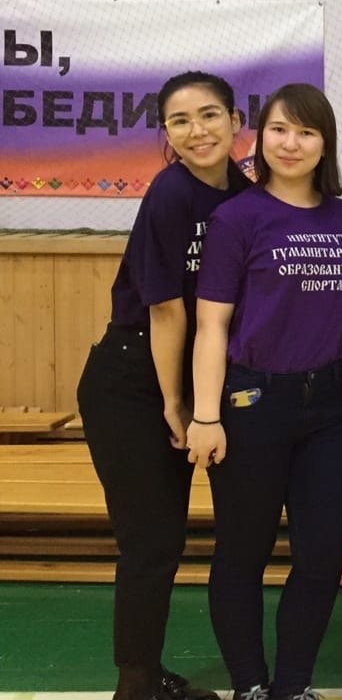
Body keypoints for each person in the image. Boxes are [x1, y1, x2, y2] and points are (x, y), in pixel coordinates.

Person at [187, 83, 342, 700]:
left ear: (325, 144)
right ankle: (250, 685)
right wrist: (206, 416)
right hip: (251, 403)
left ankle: (293, 686)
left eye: (306, 132)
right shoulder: (236, 218)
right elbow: (211, 326)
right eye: (279, 130)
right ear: (260, 137)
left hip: (329, 408)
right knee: (243, 553)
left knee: (324, 553)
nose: (291, 144)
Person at [77, 71, 248, 700]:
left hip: (191, 376)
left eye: (209, 115)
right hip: (133, 378)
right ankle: (136, 683)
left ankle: (146, 673)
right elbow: (167, 311)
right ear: (166, 133)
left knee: (167, 538)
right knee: (150, 540)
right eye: (180, 121)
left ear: (236, 121)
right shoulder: (170, 193)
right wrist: (177, 403)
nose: (197, 131)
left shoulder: (244, 195)